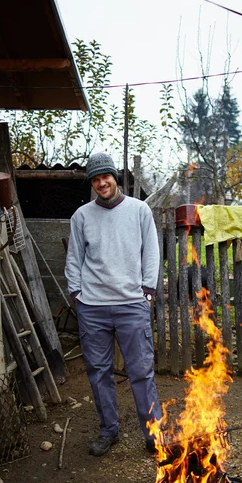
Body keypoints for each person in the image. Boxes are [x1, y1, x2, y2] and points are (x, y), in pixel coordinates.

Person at [65, 152, 162, 457]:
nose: (101, 183)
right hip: (92, 307)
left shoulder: (139, 210)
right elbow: (74, 258)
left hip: (132, 303)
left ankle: (153, 432)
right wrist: (77, 294)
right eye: (95, 179)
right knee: (98, 371)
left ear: (114, 178)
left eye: (105, 177)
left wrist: (147, 291)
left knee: (141, 370)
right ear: (92, 184)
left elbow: (151, 252)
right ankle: (109, 431)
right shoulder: (81, 216)